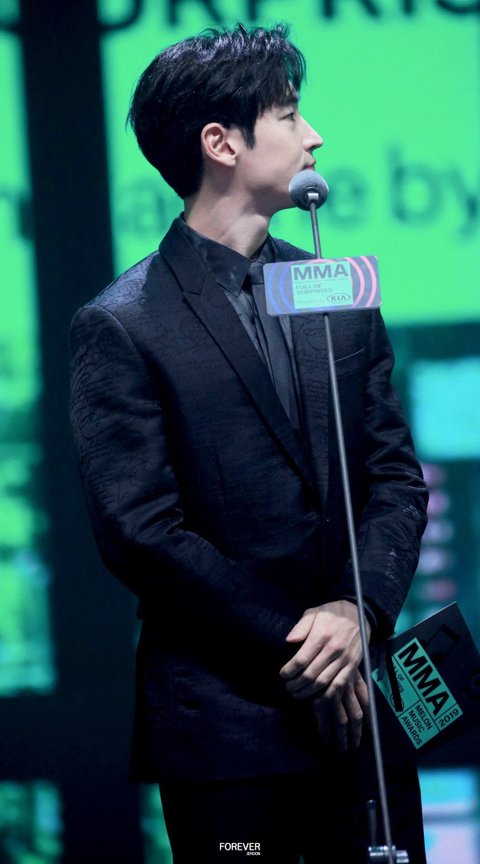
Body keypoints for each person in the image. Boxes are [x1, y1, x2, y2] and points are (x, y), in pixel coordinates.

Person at [70, 23, 428, 863]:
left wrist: (359, 613)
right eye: (291, 115)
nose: (314, 136)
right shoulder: (122, 324)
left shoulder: (336, 286)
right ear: (221, 143)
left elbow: (395, 479)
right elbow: (140, 531)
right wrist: (305, 639)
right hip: (227, 728)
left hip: (365, 714)